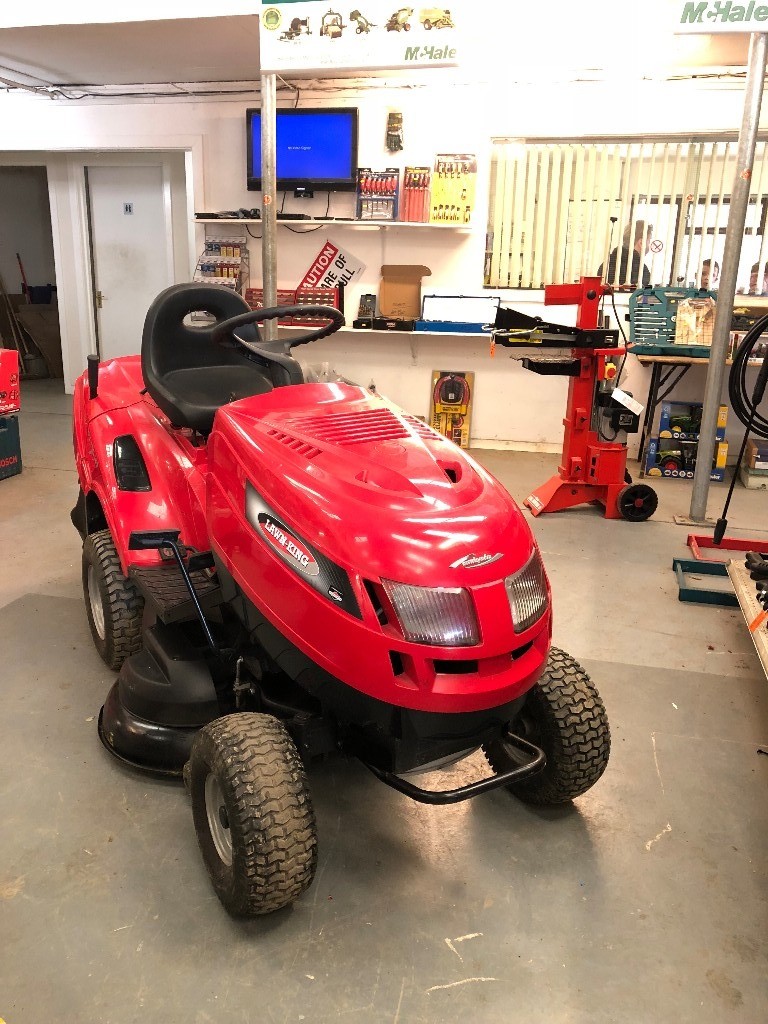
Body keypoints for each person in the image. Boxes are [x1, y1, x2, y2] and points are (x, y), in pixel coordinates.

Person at [598, 220, 652, 287]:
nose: (649, 245)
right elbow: (641, 296)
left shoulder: (606, 265)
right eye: (649, 241)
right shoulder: (641, 270)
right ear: (641, 243)